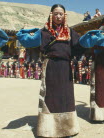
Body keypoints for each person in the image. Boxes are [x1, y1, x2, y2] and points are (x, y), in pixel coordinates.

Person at [37, 4, 85, 138]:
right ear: (51, 15)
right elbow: (40, 47)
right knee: (51, 96)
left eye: (61, 14)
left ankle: (67, 128)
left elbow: (78, 47)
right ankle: (49, 129)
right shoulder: (44, 31)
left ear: (65, 16)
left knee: (66, 96)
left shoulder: (70, 32)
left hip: (65, 67)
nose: (58, 16)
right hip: (51, 65)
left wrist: (86, 42)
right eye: (56, 13)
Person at [80, 13, 104, 122]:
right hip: (99, 63)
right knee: (101, 88)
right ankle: (99, 114)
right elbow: (92, 47)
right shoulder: (98, 32)